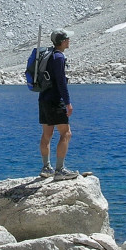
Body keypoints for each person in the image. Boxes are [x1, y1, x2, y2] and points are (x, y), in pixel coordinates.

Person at [38, 29, 78, 180]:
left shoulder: (47, 55)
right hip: (55, 100)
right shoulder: (59, 57)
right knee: (66, 133)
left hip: (43, 98)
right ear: (62, 42)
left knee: (47, 134)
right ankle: (59, 170)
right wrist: (67, 102)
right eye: (67, 39)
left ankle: (45, 168)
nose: (69, 41)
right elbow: (61, 82)